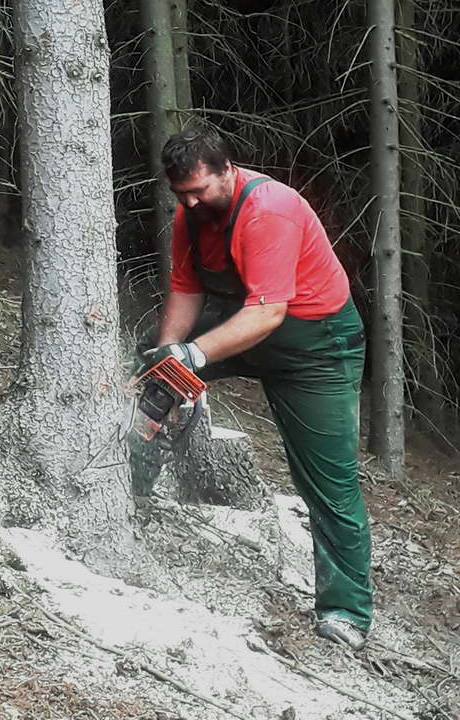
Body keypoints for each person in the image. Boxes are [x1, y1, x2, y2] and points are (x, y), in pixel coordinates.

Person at [141, 125, 372, 650]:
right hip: (245, 327)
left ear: (227, 170)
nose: (191, 202)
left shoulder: (269, 210)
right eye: (181, 193)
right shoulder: (190, 215)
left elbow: (268, 312)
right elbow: (186, 289)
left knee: (329, 482)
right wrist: (168, 359)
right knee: (150, 373)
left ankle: (346, 611)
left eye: (199, 190)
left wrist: (194, 356)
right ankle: (128, 489)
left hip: (316, 349)